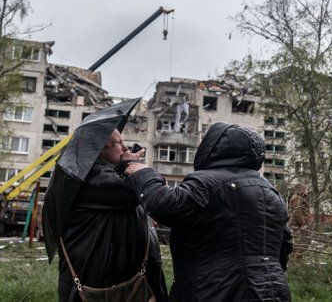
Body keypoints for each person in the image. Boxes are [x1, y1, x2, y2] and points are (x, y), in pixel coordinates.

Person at [122, 122, 293, 301]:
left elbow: (163, 205)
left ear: (213, 148)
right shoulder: (271, 191)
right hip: (272, 291)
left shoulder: (207, 183)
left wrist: (141, 173)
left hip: (215, 291)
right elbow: (284, 246)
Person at [54, 128, 168, 302]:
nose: (125, 148)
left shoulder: (108, 174)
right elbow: (138, 192)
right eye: (117, 142)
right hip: (102, 285)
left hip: (122, 282)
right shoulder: (89, 177)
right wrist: (131, 167)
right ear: (98, 149)